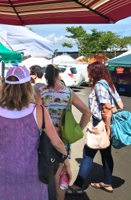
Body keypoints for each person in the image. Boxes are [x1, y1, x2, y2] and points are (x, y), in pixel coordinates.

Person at [0, 66, 67, 200]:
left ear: (5, 87)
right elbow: (57, 142)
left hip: (4, 174)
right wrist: (66, 162)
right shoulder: (39, 111)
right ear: (27, 87)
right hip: (32, 175)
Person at [41, 65, 94, 197]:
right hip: (64, 139)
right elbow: (87, 113)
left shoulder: (41, 92)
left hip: (45, 137)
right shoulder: (68, 93)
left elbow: (35, 115)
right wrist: (75, 131)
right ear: (59, 75)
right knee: (61, 172)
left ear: (45, 76)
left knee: (43, 169)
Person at [72, 62, 119, 193]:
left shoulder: (99, 85)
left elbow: (107, 107)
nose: (88, 74)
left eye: (90, 72)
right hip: (106, 125)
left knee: (87, 155)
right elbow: (119, 103)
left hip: (99, 125)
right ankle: (107, 183)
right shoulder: (110, 84)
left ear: (95, 72)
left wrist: (107, 127)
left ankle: (77, 186)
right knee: (106, 154)